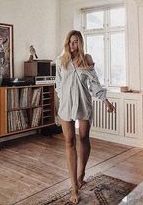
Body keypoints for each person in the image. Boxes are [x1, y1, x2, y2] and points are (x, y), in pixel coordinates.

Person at [55, 30, 115, 204]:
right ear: (67, 43)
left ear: (80, 43)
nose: (73, 45)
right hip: (66, 105)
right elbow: (58, 84)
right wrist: (63, 97)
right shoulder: (61, 61)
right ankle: (74, 186)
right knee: (69, 141)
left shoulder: (86, 59)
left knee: (84, 137)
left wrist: (106, 101)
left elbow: (95, 83)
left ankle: (82, 172)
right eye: (71, 42)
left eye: (76, 42)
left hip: (83, 104)